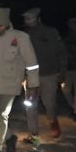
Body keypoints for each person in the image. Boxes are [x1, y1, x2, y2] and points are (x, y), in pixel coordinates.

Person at [0, 7, 40, 152]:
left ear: (7, 23)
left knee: (2, 114)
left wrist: (33, 85)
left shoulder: (21, 37)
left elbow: (32, 63)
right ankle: (10, 137)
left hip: (11, 83)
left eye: (1, 25)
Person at [22, 8, 67, 141]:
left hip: (49, 74)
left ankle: (53, 122)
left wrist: (62, 71)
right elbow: (20, 56)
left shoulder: (51, 32)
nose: (28, 21)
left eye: (31, 18)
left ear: (38, 19)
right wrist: (22, 75)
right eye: (26, 19)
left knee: (50, 104)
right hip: (31, 77)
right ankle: (33, 134)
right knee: (30, 105)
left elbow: (62, 52)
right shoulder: (24, 36)